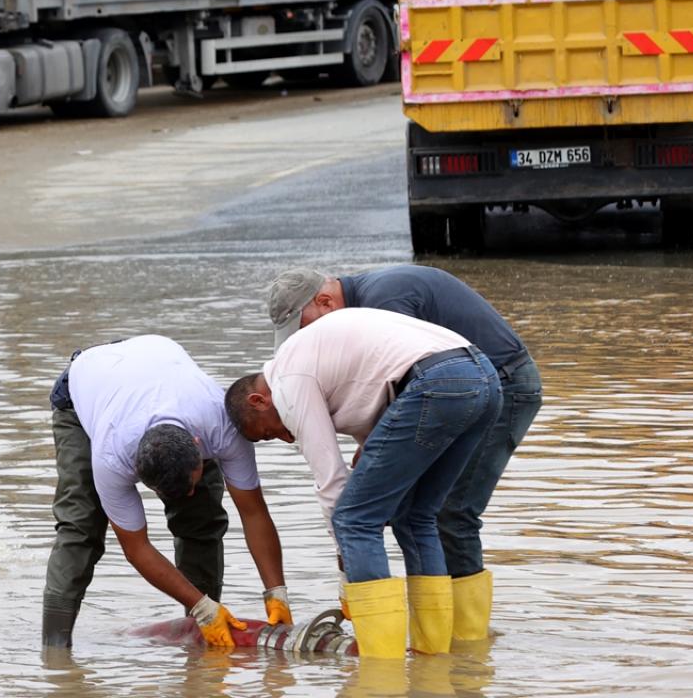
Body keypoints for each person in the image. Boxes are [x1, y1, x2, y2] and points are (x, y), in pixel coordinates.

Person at [266, 265, 541, 641]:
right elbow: (391, 383)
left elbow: (411, 375)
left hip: (503, 381)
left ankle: (459, 638)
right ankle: (446, 646)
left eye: (303, 326)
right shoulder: (367, 299)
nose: (304, 339)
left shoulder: (386, 299)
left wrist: (349, 560)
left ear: (325, 301)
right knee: (418, 513)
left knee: (447, 513)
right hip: (470, 379)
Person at [225, 308, 502, 659]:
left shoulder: (288, 380)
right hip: (483, 379)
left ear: (258, 401)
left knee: (353, 520)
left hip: (437, 383)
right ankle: (439, 655)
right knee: (416, 517)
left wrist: (348, 579)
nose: (285, 438)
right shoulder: (312, 360)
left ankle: (381, 666)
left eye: (269, 432)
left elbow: (331, 483)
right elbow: (374, 411)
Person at [42, 335, 289, 650]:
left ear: (199, 448)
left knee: (201, 517)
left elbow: (253, 512)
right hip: (84, 389)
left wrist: (276, 591)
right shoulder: (112, 457)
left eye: (190, 483)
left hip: (149, 365)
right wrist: (202, 606)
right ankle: (54, 651)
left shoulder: (222, 427)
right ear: (137, 470)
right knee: (81, 527)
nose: (187, 494)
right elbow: (137, 548)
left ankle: (202, 640)